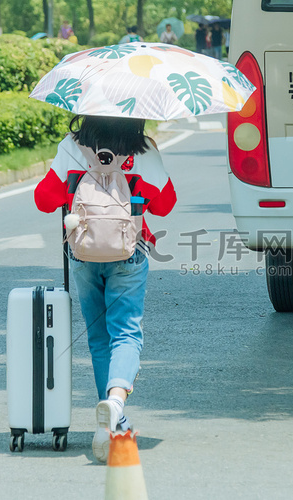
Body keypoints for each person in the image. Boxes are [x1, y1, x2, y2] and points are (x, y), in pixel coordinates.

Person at [34, 115, 177, 463]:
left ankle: (109, 427)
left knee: (98, 339)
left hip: (83, 254)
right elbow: (166, 203)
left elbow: (44, 198)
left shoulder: (72, 147)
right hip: (129, 252)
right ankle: (114, 403)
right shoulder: (142, 151)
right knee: (126, 334)